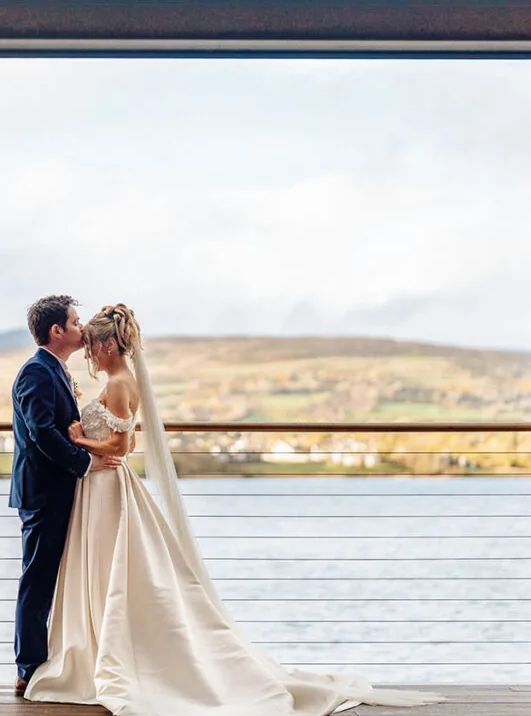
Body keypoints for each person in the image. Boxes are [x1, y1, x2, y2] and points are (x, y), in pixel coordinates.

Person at [23, 304, 442, 715]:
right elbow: (120, 442)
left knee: (109, 573)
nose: (90, 349)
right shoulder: (102, 378)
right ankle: (98, 650)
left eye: (94, 341)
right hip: (98, 487)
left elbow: (121, 447)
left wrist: (81, 441)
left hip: (105, 483)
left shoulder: (118, 384)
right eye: (82, 332)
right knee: (102, 573)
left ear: (111, 344)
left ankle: (106, 656)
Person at [9, 295, 123, 697]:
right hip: (42, 492)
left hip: (58, 489)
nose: (81, 329)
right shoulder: (36, 374)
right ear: (57, 331)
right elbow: (42, 434)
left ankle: (56, 659)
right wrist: (84, 463)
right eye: (75, 322)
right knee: (38, 578)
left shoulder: (54, 370)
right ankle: (28, 668)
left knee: (49, 575)